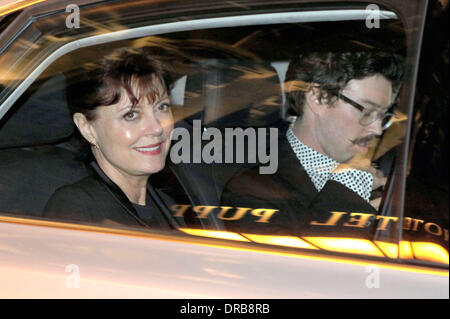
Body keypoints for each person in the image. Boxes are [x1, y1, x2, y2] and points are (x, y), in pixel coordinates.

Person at [220, 49, 403, 237]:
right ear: (318, 97)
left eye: (383, 115)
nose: (378, 129)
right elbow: (297, 264)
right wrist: (350, 189)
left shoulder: (371, 175)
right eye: (367, 112)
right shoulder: (250, 191)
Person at [43, 48, 180, 229]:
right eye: (131, 115)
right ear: (87, 128)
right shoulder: (77, 208)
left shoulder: (166, 204)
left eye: (162, 107)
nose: (156, 128)